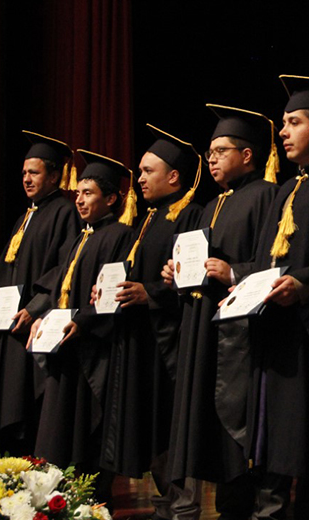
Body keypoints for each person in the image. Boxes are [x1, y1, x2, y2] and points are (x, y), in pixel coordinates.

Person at [212, 75, 309, 519]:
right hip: (277, 331)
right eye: (282, 123)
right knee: (274, 447)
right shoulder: (286, 189)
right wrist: (246, 289)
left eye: (293, 122)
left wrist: (304, 285)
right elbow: (265, 261)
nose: (282, 132)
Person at [162, 105, 279, 520]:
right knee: (210, 439)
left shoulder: (267, 195)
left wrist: (235, 272)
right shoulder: (209, 207)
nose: (211, 159)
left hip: (242, 337)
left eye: (221, 151)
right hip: (205, 330)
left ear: (247, 155)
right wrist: (176, 274)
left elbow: (274, 261)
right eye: (209, 152)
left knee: (241, 437)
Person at [100, 125, 204, 520]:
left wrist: (151, 294)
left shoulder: (189, 215)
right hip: (141, 339)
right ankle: (166, 501)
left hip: (171, 341)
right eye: (139, 171)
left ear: (173, 176)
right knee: (150, 426)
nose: (139, 179)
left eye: (148, 171)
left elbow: (186, 279)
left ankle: (182, 505)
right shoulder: (149, 219)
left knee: (170, 426)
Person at [27, 150, 135, 499]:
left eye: (88, 193)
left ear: (112, 199)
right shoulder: (80, 238)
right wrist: (41, 318)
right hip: (67, 348)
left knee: (85, 436)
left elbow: (112, 293)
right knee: (56, 434)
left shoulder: (119, 235)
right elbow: (61, 288)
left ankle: (89, 502)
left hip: (93, 353)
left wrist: (84, 321)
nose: (80, 199)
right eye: (79, 193)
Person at [0, 131, 80, 456]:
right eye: (24, 172)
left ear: (54, 175)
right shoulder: (27, 216)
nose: (26, 179)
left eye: (34, 172)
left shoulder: (64, 213)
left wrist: (36, 308)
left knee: (29, 403)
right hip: (11, 325)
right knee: (9, 400)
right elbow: (7, 269)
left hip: (34, 326)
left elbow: (65, 267)